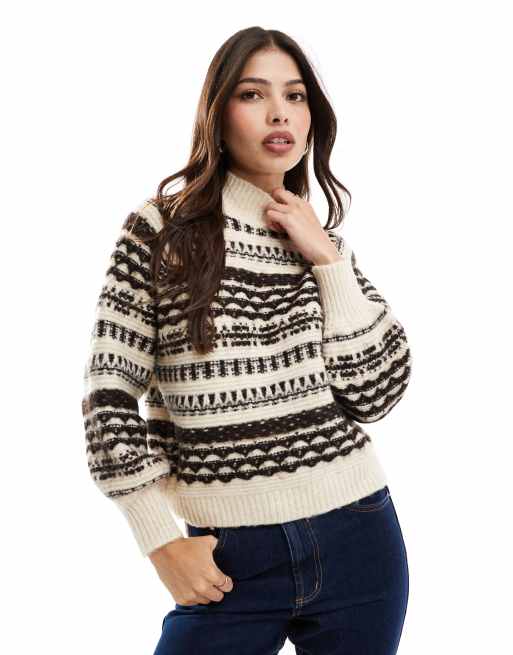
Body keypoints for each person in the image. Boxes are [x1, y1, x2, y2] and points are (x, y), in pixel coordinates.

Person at [81, 26, 412, 655]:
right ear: (218, 113)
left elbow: (376, 394)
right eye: (253, 94)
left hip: (359, 539)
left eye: (295, 95)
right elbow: (109, 394)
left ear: (312, 117)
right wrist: (159, 539)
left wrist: (329, 262)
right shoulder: (161, 230)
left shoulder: (323, 243)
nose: (279, 112)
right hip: (229, 559)